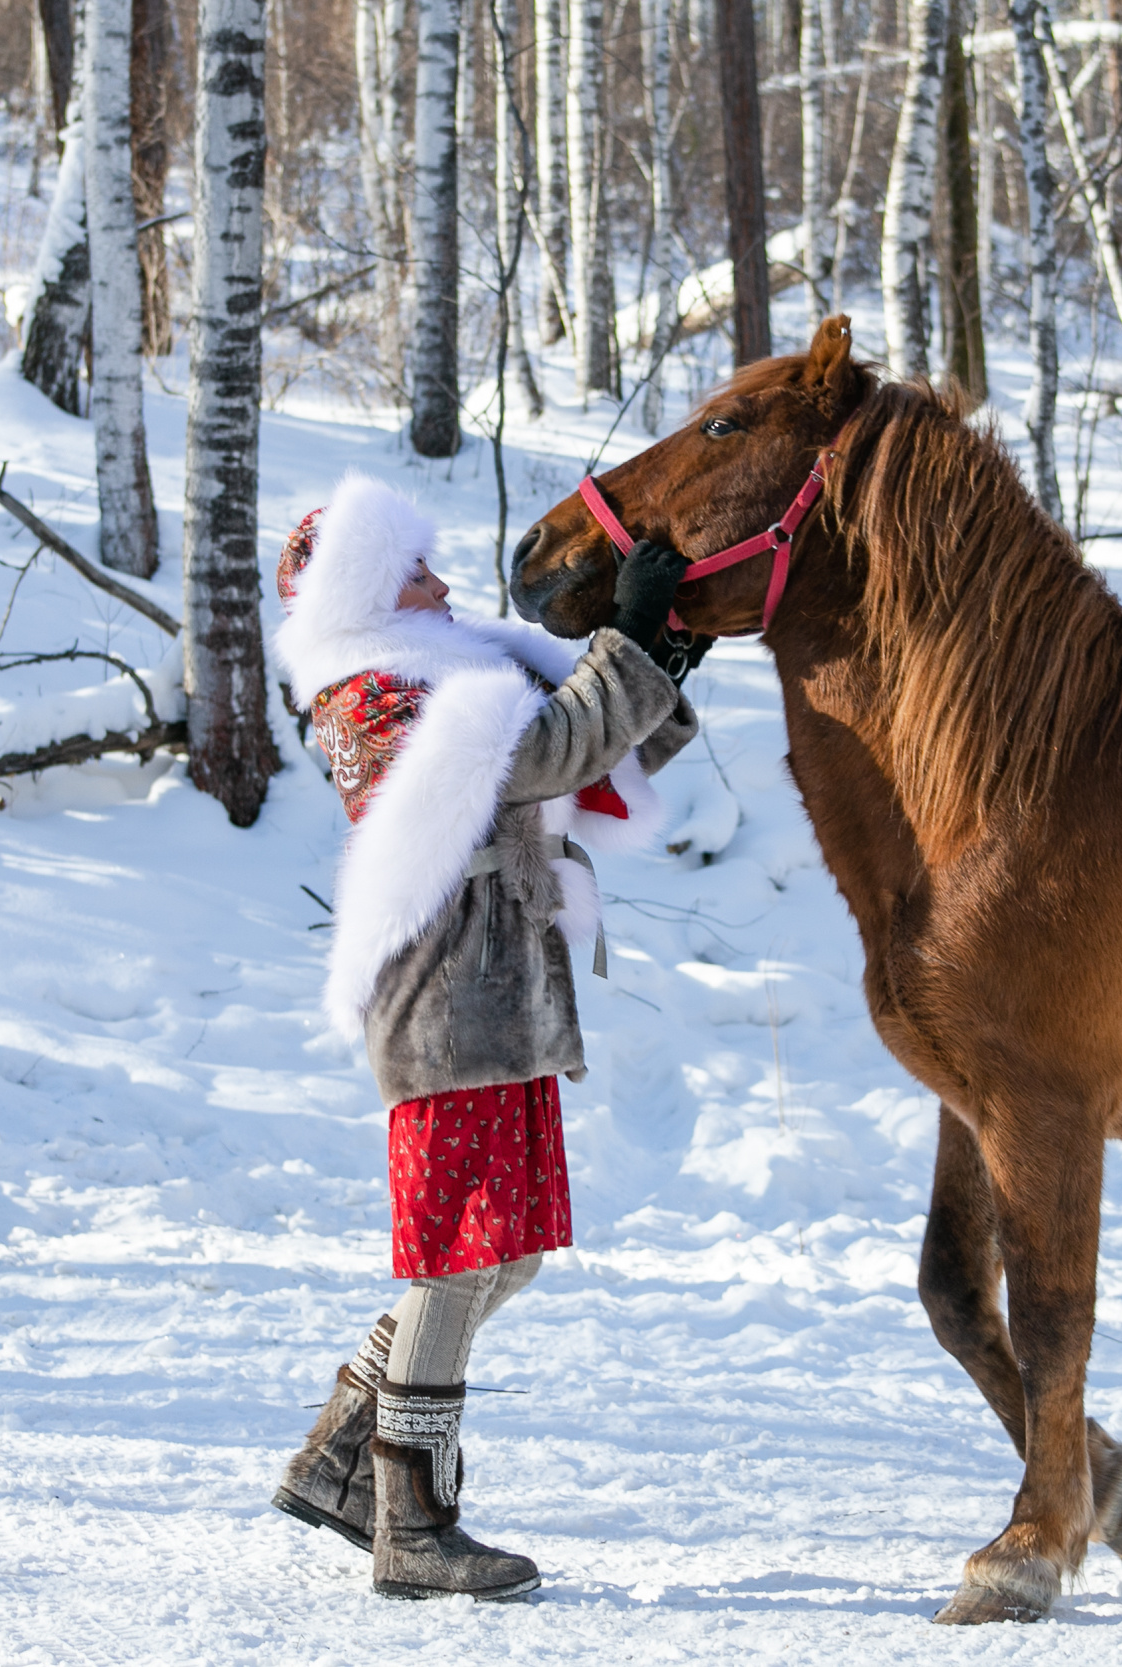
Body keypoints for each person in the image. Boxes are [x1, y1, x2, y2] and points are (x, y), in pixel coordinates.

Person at [266, 473, 698, 1601]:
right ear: (366, 588)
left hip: (498, 989)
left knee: (506, 1250)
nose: (446, 583)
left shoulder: (446, 665)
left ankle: (341, 1458)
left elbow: (587, 740)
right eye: (416, 570)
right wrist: (630, 640)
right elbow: (542, 753)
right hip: (445, 999)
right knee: (461, 1254)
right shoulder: (370, 692)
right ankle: (412, 1520)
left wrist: (656, 646)